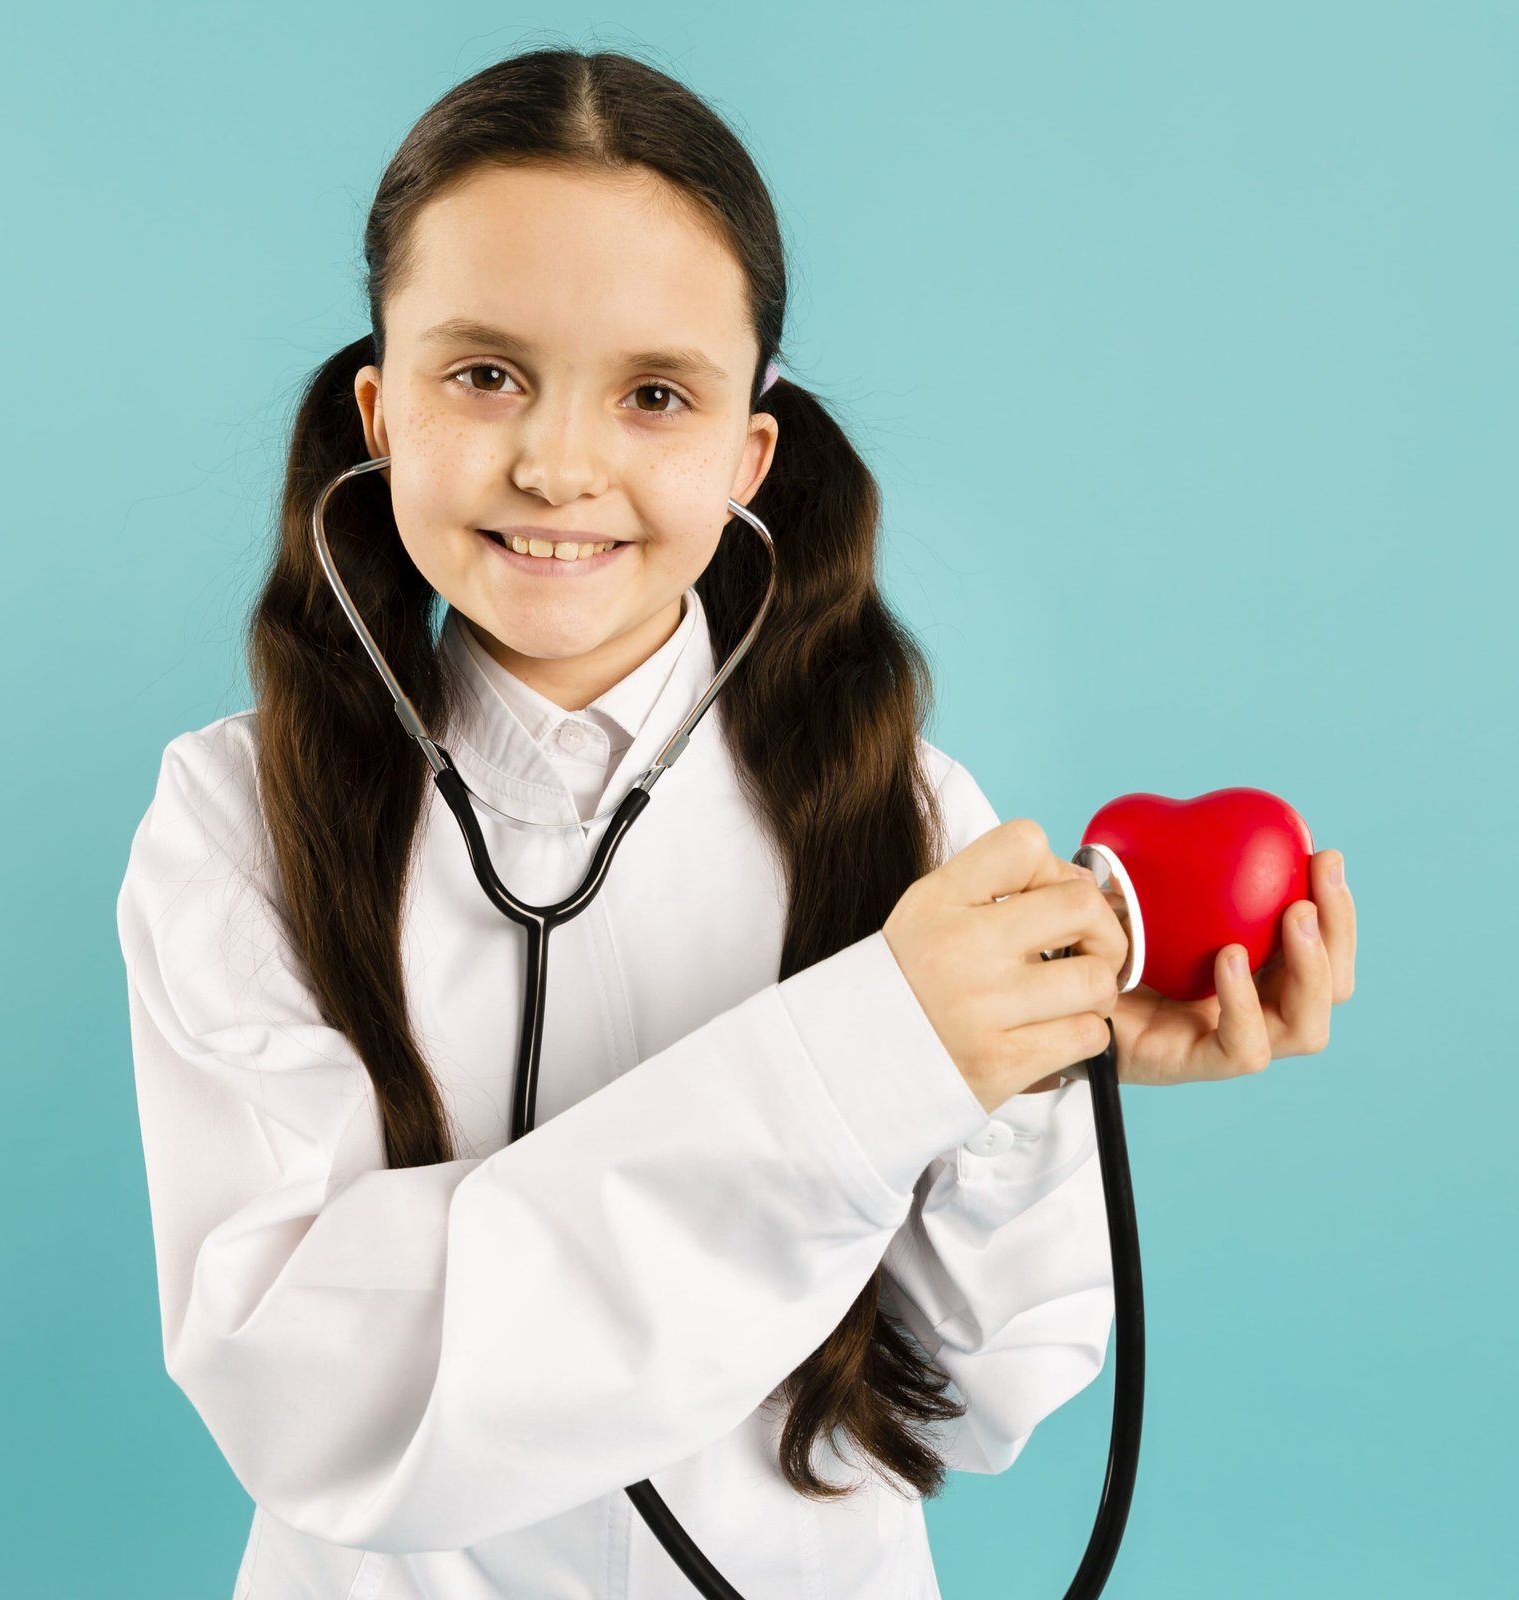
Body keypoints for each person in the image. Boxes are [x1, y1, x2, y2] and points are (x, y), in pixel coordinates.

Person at [116, 46, 1355, 1600]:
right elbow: (317, 1391)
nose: (560, 462)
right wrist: (875, 1052)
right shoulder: (235, 821)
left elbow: (985, 1398)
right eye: (482, 373)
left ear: (748, 455)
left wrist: (1021, 1070)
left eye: (655, 395)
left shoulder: (908, 819)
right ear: (379, 409)